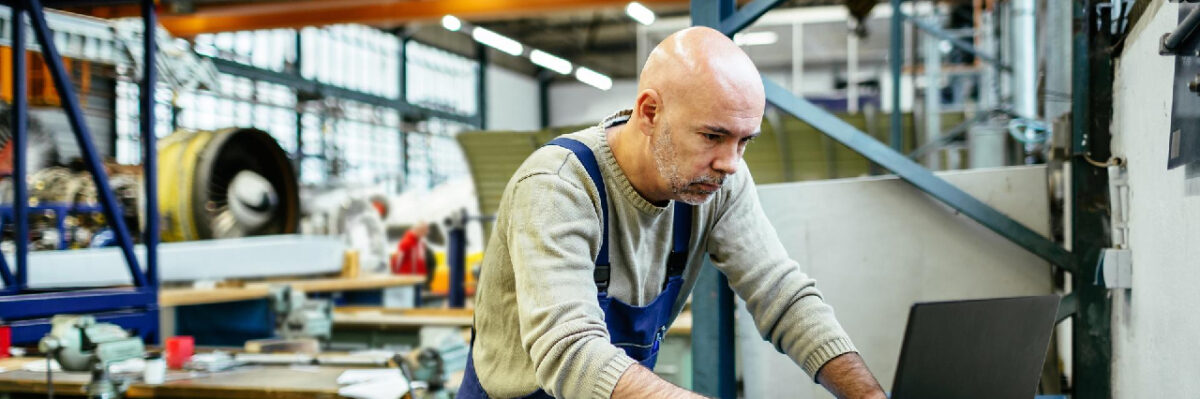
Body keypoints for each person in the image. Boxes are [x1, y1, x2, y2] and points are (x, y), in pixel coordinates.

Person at [460, 27, 886, 399]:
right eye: (713, 135)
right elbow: (571, 354)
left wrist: (866, 393)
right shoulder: (558, 186)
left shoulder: (717, 181)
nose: (730, 162)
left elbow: (782, 294)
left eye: (744, 141)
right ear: (649, 112)